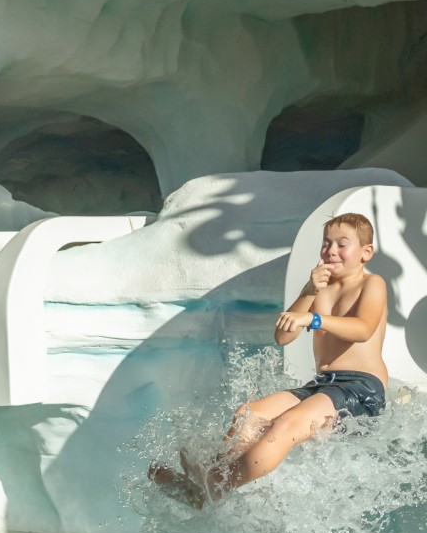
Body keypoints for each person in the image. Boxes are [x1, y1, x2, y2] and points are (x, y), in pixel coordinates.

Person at [150, 213, 388, 508]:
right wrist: (309, 293)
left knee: (285, 425)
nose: (331, 251)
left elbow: (364, 329)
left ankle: (214, 489)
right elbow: (283, 337)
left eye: (342, 244)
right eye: (326, 244)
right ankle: (213, 477)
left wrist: (312, 318)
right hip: (322, 385)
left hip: (360, 389)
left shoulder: (371, 284)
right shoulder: (319, 286)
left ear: (366, 252)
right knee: (248, 414)